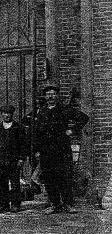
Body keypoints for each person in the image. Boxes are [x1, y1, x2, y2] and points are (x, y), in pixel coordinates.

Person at [34, 84, 89, 214]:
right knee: (49, 177)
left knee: (64, 176)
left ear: (57, 96)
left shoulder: (64, 109)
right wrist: (37, 149)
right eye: (48, 94)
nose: (50, 96)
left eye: (53, 94)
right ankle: (54, 204)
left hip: (61, 148)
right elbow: (37, 132)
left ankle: (68, 204)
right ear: (45, 97)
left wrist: (72, 130)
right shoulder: (41, 111)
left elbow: (83, 117)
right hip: (46, 149)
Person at [0, 105, 26, 213]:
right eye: (4, 113)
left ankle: (15, 204)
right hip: (0, 160)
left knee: (15, 183)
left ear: (12, 114)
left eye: (9, 113)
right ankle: (4, 205)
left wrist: (21, 158)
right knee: (2, 183)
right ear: (1, 114)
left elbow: (23, 144)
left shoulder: (18, 127)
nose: (7, 115)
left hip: (13, 160)